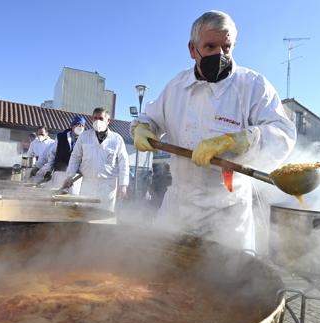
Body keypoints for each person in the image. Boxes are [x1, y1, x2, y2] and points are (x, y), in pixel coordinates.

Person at [132, 10, 296, 251]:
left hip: (227, 216)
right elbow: (150, 118)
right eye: (209, 46)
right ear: (192, 49)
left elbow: (283, 134)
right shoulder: (176, 87)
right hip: (177, 209)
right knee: (157, 275)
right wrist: (142, 128)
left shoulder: (253, 86)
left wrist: (239, 140)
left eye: (226, 47)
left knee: (225, 283)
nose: (219, 54)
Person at [62, 107, 129, 212]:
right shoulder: (84, 136)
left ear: (108, 121)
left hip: (107, 185)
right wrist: (70, 175)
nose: (98, 121)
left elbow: (123, 162)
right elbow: (75, 156)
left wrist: (123, 184)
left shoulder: (116, 139)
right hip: (88, 183)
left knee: (104, 218)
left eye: (101, 118)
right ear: (91, 119)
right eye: (95, 118)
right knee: (84, 216)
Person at [34, 115, 86, 194]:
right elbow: (52, 155)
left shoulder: (85, 140)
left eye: (82, 125)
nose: (80, 127)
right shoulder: (61, 137)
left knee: (72, 200)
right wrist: (48, 171)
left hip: (75, 176)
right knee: (56, 198)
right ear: (72, 126)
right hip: (60, 173)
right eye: (78, 124)